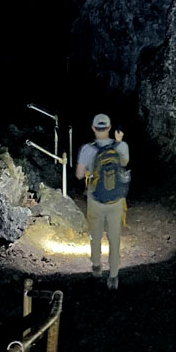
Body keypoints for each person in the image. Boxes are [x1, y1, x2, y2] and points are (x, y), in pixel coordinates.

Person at [76, 113, 130, 289]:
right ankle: (113, 276)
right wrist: (119, 141)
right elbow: (124, 163)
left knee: (95, 234)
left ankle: (97, 265)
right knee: (114, 237)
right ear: (109, 128)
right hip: (116, 201)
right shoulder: (121, 147)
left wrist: (89, 173)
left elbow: (78, 175)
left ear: (93, 128)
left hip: (95, 200)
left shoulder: (87, 149)